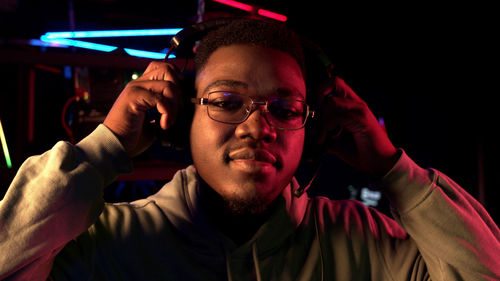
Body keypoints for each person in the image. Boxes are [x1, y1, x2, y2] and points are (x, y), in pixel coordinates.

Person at [0, 18, 499, 281]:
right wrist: (103, 148)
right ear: (179, 117)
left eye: (284, 109)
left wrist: (394, 168)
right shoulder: (106, 242)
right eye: (226, 101)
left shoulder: (368, 244)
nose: (258, 126)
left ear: (315, 127)